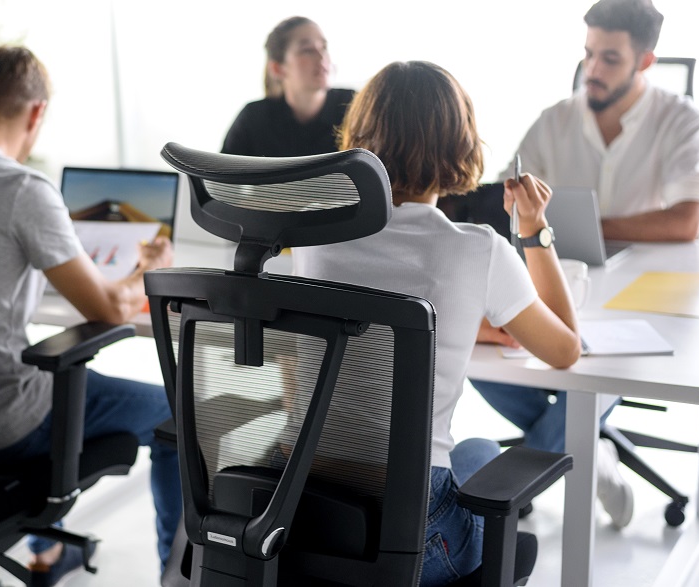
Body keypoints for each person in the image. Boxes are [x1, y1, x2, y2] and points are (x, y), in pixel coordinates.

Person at [0, 46, 181, 586]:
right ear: (36, 113)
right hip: (1, 427)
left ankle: (47, 550)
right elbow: (110, 309)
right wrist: (146, 268)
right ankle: (177, 576)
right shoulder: (21, 189)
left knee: (51, 379)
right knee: (176, 414)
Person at [292, 60, 582, 586]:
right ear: (462, 147)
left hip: (300, 517)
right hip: (413, 541)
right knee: (480, 455)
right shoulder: (477, 250)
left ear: (359, 138)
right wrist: (536, 232)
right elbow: (565, 349)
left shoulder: (310, 234)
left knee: (475, 450)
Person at [471, 0, 699, 529]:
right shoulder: (554, 121)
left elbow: (686, 222)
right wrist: (524, 215)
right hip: (565, 277)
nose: (593, 71)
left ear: (645, 62)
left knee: (613, 360)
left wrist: (576, 224)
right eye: (588, 55)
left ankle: (517, 477)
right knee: (479, 356)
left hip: (651, 289)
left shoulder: (683, 122)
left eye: (610, 59)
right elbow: (511, 207)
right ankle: (590, 450)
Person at [220, 16, 354, 157]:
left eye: (324, 47)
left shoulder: (354, 107)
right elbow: (219, 175)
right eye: (307, 49)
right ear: (277, 68)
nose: (322, 57)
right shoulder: (253, 119)